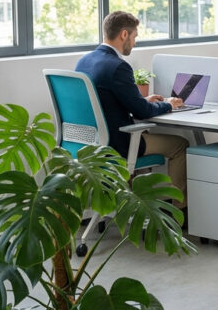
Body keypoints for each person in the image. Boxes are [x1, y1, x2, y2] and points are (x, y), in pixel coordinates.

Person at [74, 11, 190, 208]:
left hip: (88, 142)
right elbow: (141, 112)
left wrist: (143, 99)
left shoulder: (84, 61)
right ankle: (178, 211)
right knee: (181, 145)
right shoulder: (118, 66)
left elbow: (104, 100)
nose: (135, 43)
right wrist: (169, 104)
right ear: (124, 35)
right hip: (117, 143)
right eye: (135, 37)